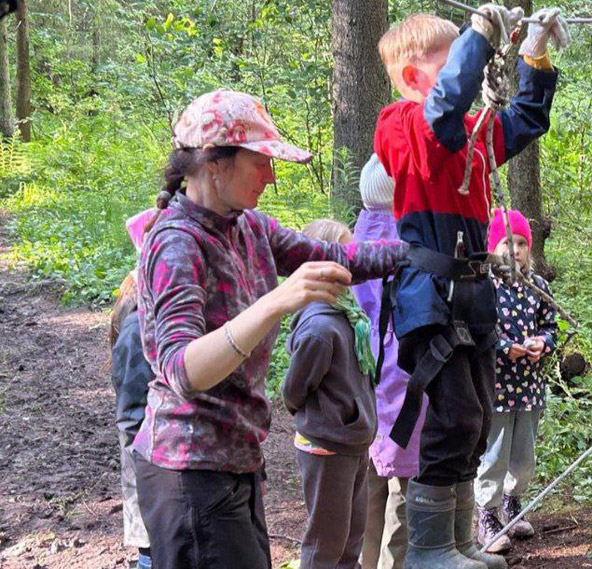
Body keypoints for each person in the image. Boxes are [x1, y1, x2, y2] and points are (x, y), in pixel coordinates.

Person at [131, 88, 408, 569]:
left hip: (237, 462)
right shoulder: (177, 243)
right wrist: (277, 301)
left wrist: (421, 253)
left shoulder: (250, 227)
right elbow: (182, 369)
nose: (272, 175)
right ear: (214, 163)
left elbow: (341, 258)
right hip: (188, 474)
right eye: (261, 162)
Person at [373, 6, 568, 569]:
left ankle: (456, 544)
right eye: (456, 56)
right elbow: (440, 114)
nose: (473, 64)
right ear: (414, 77)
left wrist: (533, 53)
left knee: (478, 418)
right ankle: (429, 550)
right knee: (452, 415)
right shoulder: (401, 125)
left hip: (473, 293)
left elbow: (526, 119)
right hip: (429, 293)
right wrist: (480, 39)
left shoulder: (470, 136)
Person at [283, 219, 379, 569]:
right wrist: (329, 415)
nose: (351, 262)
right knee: (325, 545)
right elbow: (293, 390)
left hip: (353, 441)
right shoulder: (320, 328)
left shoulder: (348, 315)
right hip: (327, 445)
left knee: (351, 539)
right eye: (343, 254)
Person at [353, 154, 426, 569]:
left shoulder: (359, 236)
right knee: (400, 484)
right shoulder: (402, 242)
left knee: (372, 485)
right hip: (400, 380)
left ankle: (369, 562)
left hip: (369, 386)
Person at [474, 210, 557, 553]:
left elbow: (551, 326)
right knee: (494, 453)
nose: (516, 250)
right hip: (497, 387)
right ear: (495, 246)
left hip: (530, 388)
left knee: (524, 455)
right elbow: (482, 329)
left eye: (522, 243)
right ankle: (487, 513)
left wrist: (542, 343)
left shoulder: (539, 286)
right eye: (509, 242)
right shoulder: (485, 286)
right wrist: (506, 347)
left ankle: (512, 501)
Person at [108, 209, 157, 569]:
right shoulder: (138, 325)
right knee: (153, 556)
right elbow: (131, 418)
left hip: (166, 479)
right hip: (152, 476)